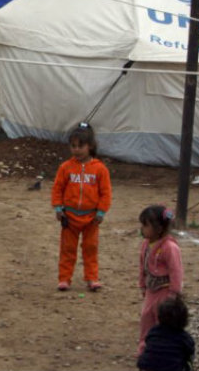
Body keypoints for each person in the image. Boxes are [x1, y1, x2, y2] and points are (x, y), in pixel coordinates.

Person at [51, 122, 112, 292]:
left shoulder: (100, 169)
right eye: (73, 146)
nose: (76, 150)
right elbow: (57, 188)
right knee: (67, 249)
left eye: (80, 146)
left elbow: (105, 192)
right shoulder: (66, 168)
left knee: (90, 249)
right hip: (69, 217)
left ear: (90, 146)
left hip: (91, 218)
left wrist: (101, 211)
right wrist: (58, 208)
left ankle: (92, 278)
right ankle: (64, 279)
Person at [138, 204, 184, 355]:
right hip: (152, 290)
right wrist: (142, 284)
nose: (142, 229)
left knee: (162, 320)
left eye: (145, 225)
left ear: (158, 228)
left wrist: (174, 294)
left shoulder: (170, 247)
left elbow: (176, 271)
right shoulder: (146, 244)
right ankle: (146, 346)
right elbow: (142, 265)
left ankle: (163, 349)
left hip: (165, 291)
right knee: (146, 317)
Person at [137, 295, 195, 371]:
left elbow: (148, 343)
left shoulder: (153, 332)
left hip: (147, 367)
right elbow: (190, 352)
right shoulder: (184, 338)